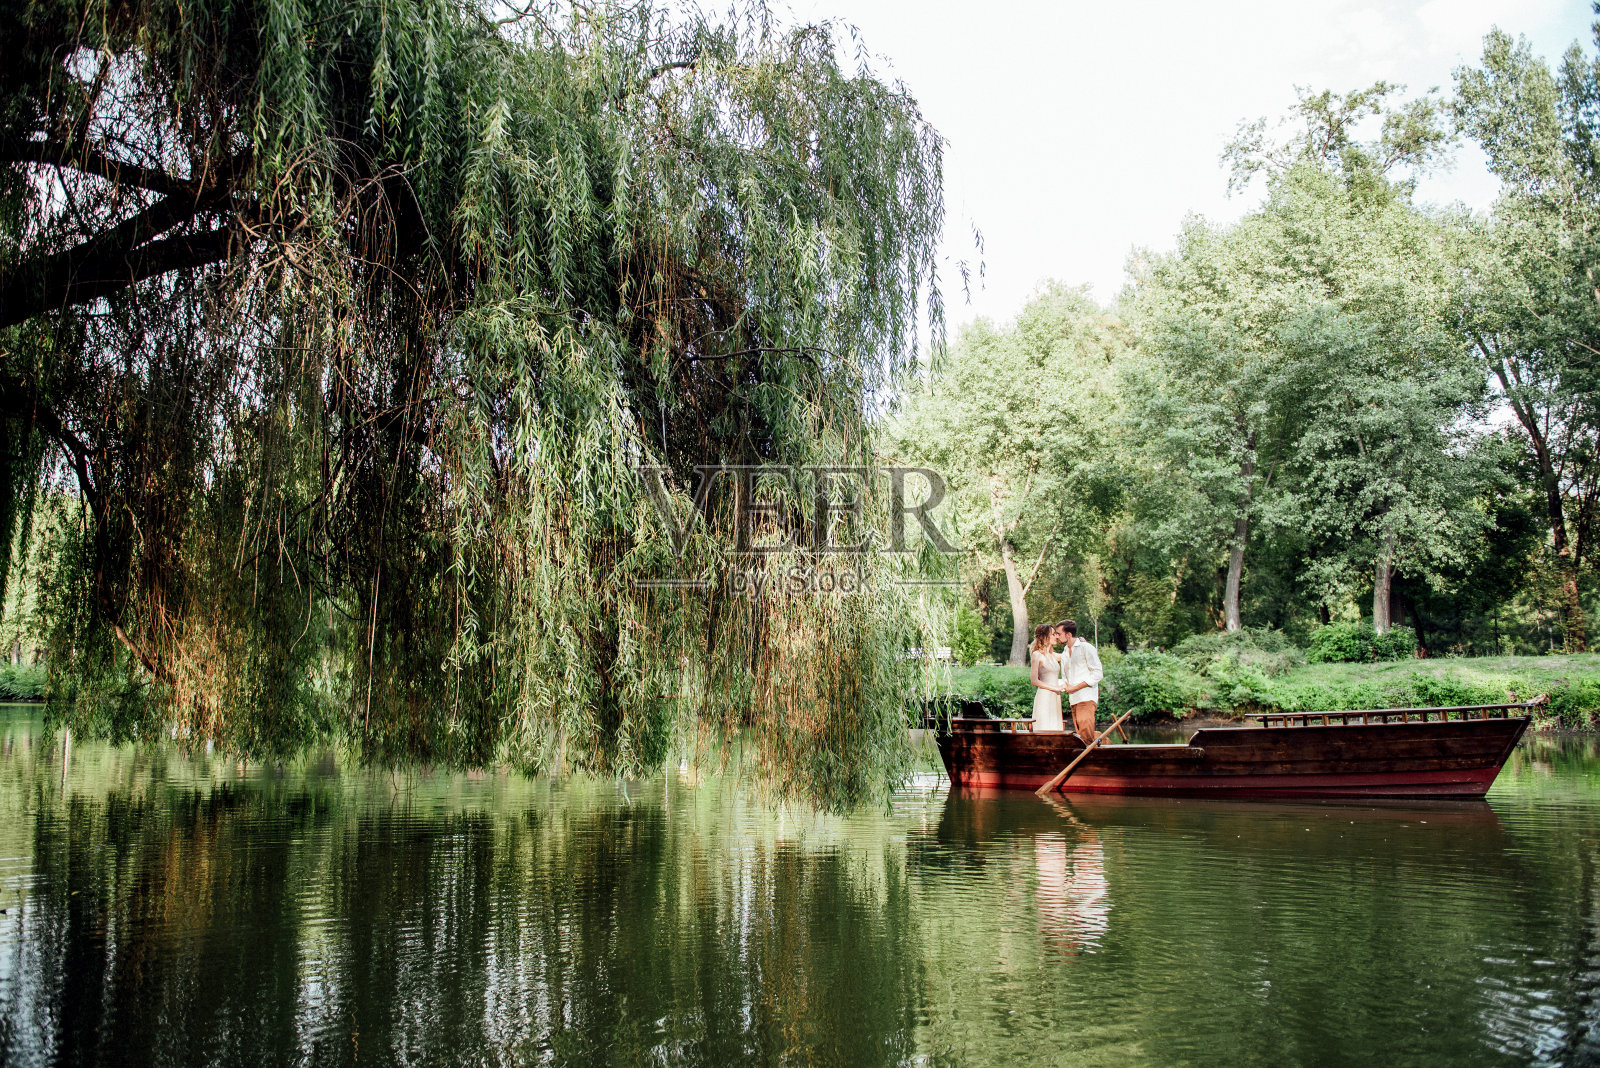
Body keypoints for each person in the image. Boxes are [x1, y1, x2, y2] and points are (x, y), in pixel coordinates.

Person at [1055, 618, 1103, 744]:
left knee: (1086, 740)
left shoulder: (1086, 648)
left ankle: (1090, 761)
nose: (1057, 636)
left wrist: (1074, 688)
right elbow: (1065, 677)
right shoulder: (1065, 652)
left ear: (1068, 634)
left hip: (1086, 698)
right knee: (1081, 739)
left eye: (1059, 634)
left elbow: (1098, 674)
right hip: (1074, 700)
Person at [1028, 623, 1066, 731]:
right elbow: (1034, 681)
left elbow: (1068, 655)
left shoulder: (1053, 655)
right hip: (1044, 696)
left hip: (1055, 697)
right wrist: (1055, 688)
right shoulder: (1037, 655)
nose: (1057, 637)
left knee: (1055, 727)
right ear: (1045, 637)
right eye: (1053, 634)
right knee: (1044, 726)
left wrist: (1078, 642)